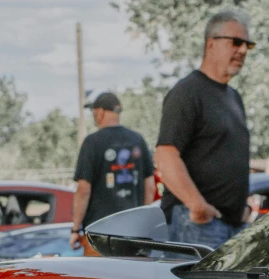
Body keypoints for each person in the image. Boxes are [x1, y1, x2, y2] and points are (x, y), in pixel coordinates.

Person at [156, 9, 253, 249]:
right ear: (211, 44)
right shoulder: (188, 92)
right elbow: (165, 155)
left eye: (247, 45)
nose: (242, 50)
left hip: (231, 227)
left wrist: (243, 208)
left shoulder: (234, 97)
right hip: (196, 225)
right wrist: (197, 205)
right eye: (236, 42)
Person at [70, 92, 155, 251]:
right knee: (131, 276)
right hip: (134, 234)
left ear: (100, 112)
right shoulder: (138, 140)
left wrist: (75, 229)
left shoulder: (92, 142)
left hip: (99, 236)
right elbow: (150, 187)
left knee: (100, 276)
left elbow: (83, 190)